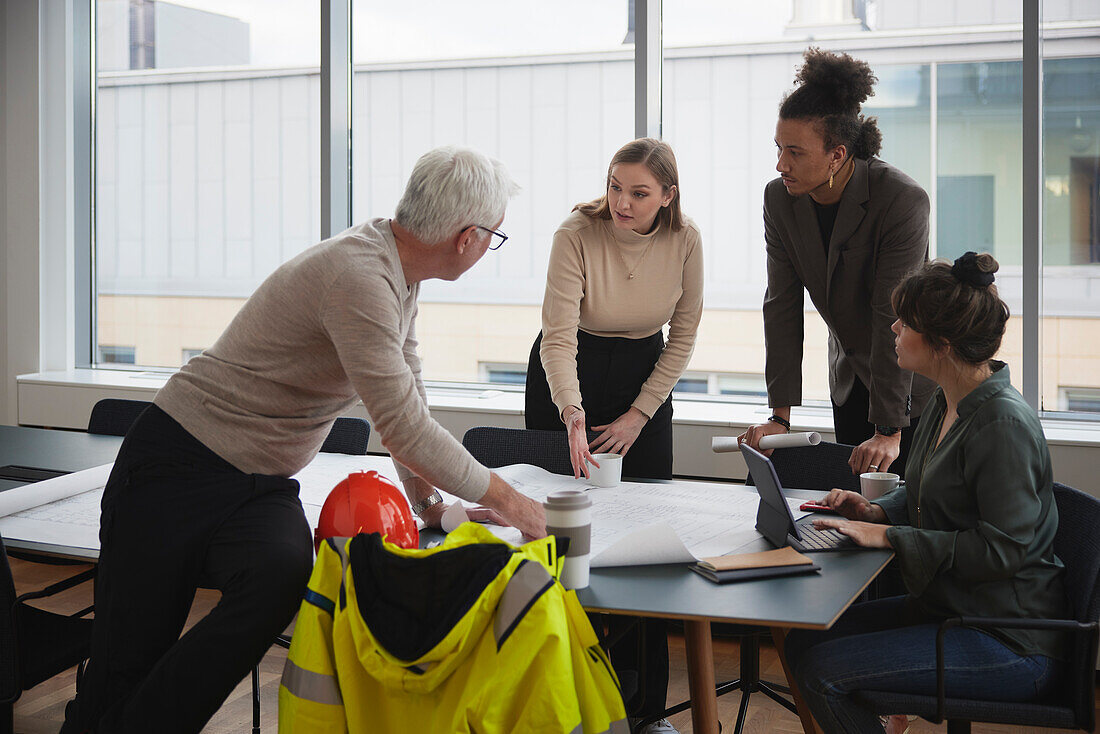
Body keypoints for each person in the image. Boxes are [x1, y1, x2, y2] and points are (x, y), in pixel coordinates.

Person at [60, 146, 547, 734]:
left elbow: (406, 404)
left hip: (258, 485)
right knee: (125, 661)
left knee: (282, 574)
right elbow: (405, 426)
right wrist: (515, 505)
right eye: (494, 238)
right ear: (467, 237)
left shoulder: (399, 274)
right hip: (176, 465)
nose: (488, 248)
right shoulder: (360, 278)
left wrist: (430, 509)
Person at [782, 252, 1066, 733]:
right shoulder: (946, 400)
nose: (893, 327)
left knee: (822, 671)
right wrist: (875, 512)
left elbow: (1005, 550)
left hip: (1009, 638)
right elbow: (921, 491)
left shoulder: (1002, 425)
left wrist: (891, 539)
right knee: (800, 643)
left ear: (942, 343)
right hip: (954, 609)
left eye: (905, 321)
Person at [525, 137, 704, 734]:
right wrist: (572, 416)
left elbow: (682, 336)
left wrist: (639, 414)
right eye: (614, 186)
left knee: (645, 534)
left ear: (667, 196)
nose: (621, 202)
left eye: (638, 192)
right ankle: (559, 694)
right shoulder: (574, 233)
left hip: (644, 378)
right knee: (562, 536)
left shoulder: (686, 239)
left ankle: (644, 707)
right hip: (568, 372)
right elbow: (558, 337)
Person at [739, 48, 934, 477]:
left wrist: (888, 428)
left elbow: (892, 313)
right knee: (853, 510)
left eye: (795, 152)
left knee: (907, 512)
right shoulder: (779, 200)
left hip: (912, 386)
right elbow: (782, 306)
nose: (780, 164)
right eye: (778, 148)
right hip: (850, 381)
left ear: (837, 155)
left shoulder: (901, 200)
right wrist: (780, 417)